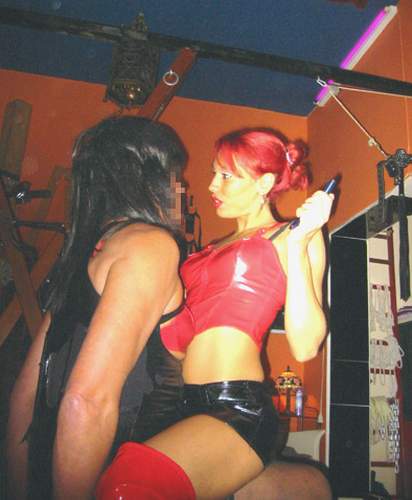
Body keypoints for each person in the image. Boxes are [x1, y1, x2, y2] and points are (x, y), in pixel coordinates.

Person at [97, 127, 335, 499]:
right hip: (177, 402)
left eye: (226, 176)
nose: (212, 185)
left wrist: (301, 242)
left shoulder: (291, 236)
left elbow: (306, 346)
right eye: (214, 173)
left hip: (237, 407)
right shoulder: (204, 251)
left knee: (128, 483)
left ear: (264, 182)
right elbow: (178, 340)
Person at [6, 115, 190, 500]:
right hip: (113, 478)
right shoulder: (149, 246)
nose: (181, 188)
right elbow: (86, 400)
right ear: (147, 180)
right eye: (175, 176)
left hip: (51, 476)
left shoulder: (85, 253)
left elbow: (26, 394)